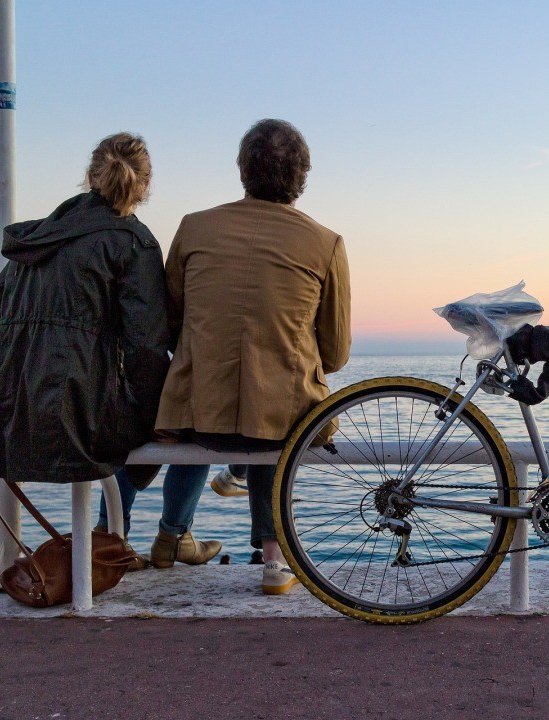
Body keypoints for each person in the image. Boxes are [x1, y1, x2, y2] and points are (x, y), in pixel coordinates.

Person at [114, 119, 350, 589]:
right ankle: (274, 561)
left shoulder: (194, 227)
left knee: (233, 407)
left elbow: (172, 320)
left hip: (195, 416)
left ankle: (133, 536)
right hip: (278, 424)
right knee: (279, 410)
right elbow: (337, 353)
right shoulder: (326, 243)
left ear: (242, 168)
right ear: (303, 175)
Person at [0, 134, 170, 549]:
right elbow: (145, 348)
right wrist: (160, 422)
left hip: (9, 408)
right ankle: (152, 536)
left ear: (89, 176)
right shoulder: (133, 242)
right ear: (145, 186)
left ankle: (113, 537)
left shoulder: (38, 239)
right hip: (79, 415)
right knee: (185, 425)